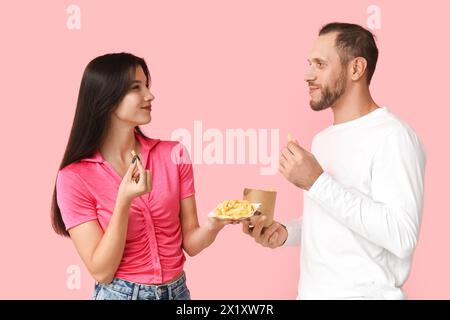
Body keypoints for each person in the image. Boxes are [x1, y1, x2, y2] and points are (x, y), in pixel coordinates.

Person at [242, 22, 426, 299]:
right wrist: (285, 233)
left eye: (319, 64)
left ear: (356, 69)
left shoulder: (394, 136)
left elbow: (401, 236)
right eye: (309, 63)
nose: (307, 75)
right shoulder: (323, 140)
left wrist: (316, 181)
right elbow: (332, 221)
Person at [51, 52, 232, 300]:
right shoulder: (74, 177)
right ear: (107, 98)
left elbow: (190, 244)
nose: (150, 95)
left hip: (178, 293)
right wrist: (124, 201)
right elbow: (102, 271)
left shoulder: (174, 154)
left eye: (146, 85)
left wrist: (215, 223)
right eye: (136, 87)